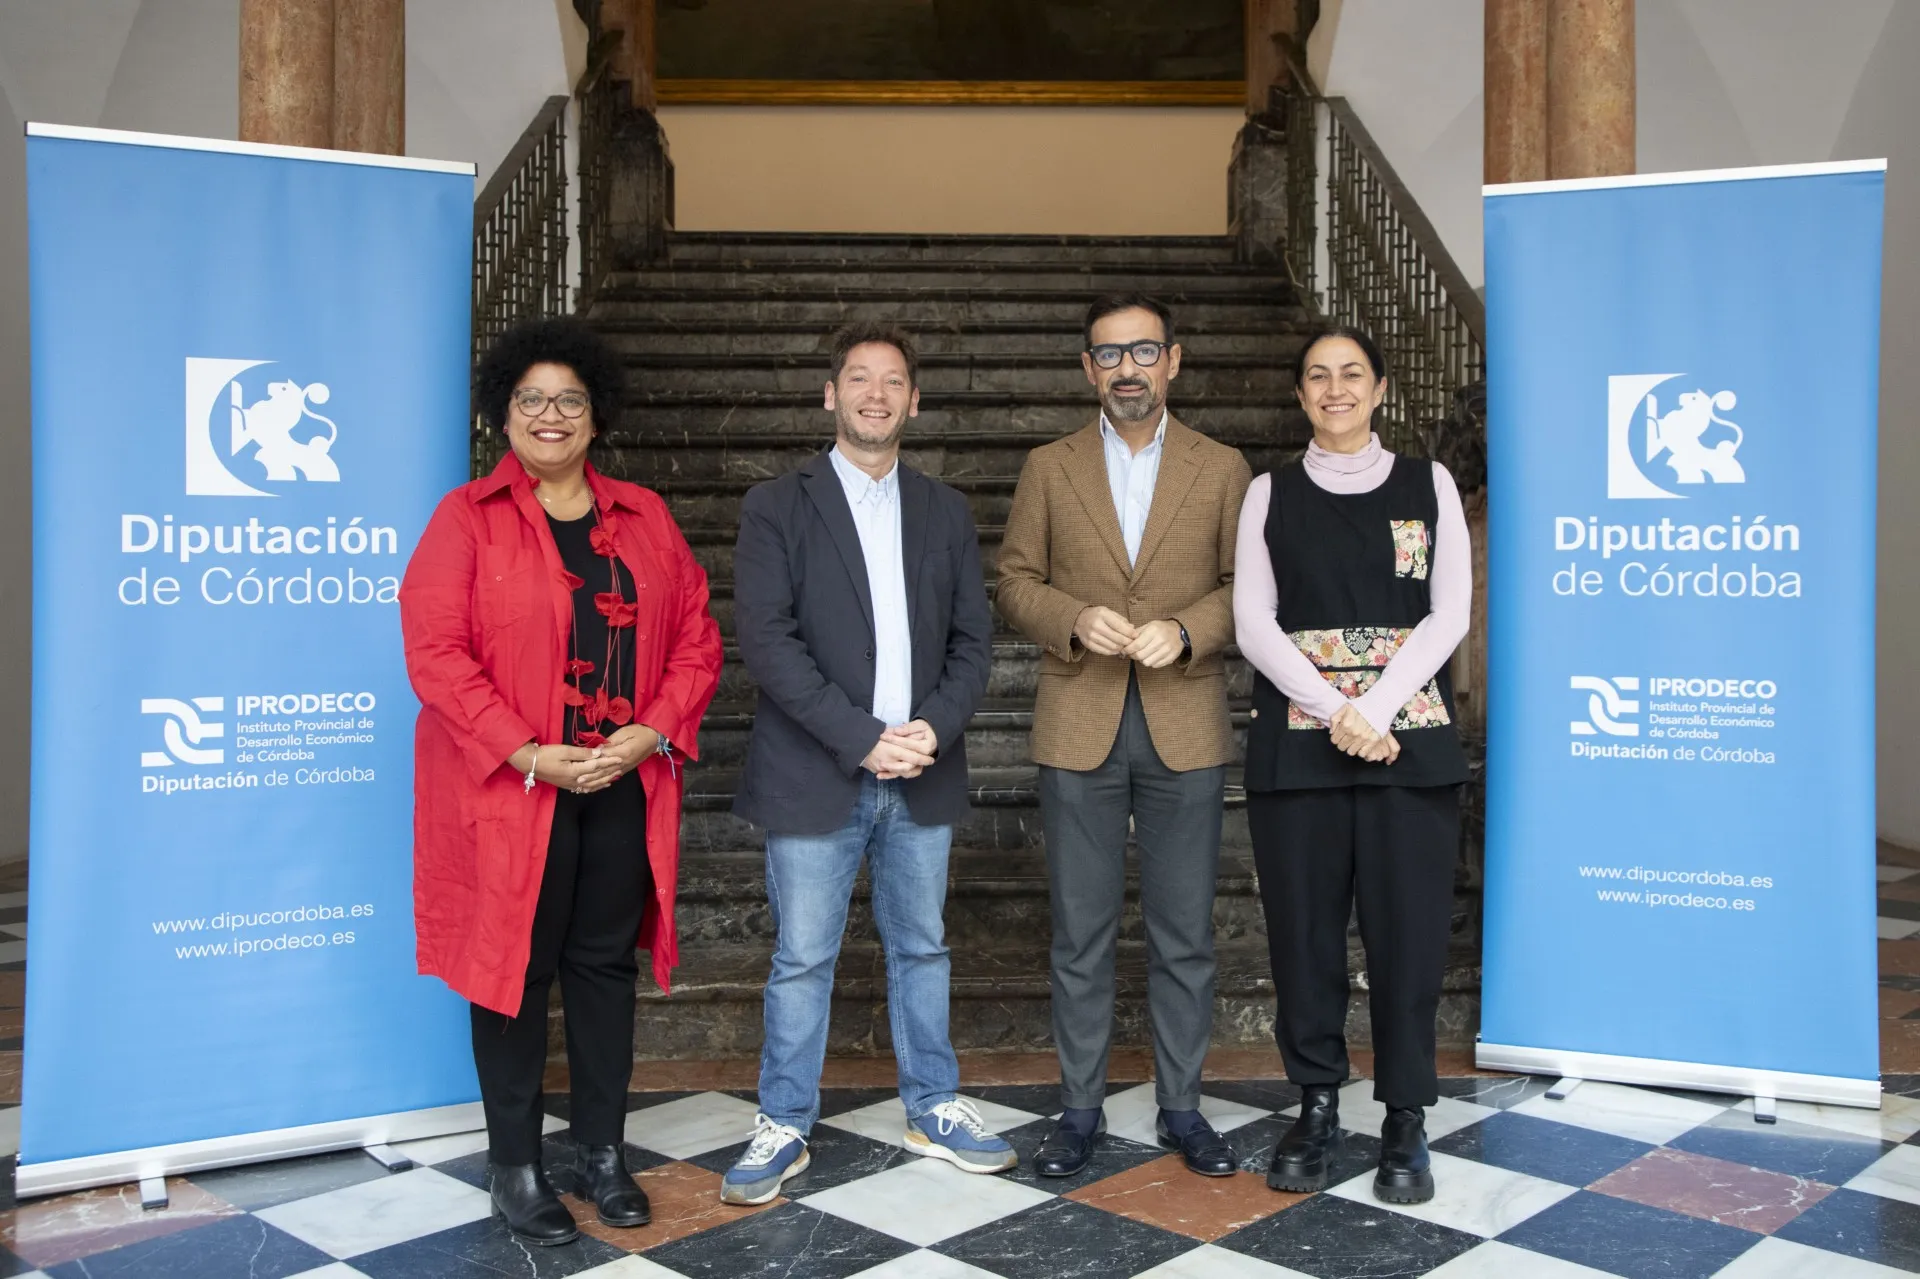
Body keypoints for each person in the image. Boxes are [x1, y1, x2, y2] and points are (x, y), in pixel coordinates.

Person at [401, 319, 723, 1245]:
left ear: (596, 415)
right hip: (515, 791)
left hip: (618, 780)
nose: (551, 415)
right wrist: (523, 748)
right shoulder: (465, 519)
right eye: (531, 399)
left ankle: (600, 1152)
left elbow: (698, 634)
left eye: (569, 400)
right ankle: (515, 1164)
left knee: (601, 968)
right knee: (512, 971)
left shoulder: (645, 516)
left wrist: (650, 730)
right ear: (505, 415)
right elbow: (436, 653)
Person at [720, 323, 1009, 1205]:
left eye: (892, 381)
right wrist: (860, 735)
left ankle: (932, 1103)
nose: (875, 393)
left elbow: (973, 641)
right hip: (818, 770)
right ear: (830, 394)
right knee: (803, 956)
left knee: (922, 948)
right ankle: (783, 1121)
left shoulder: (945, 509)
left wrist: (933, 727)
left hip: (921, 769)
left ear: (914, 401)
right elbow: (767, 642)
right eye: (858, 378)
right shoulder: (777, 505)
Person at [996, 294, 1251, 1179]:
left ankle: (1182, 1105)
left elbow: (1243, 585)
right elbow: (1015, 581)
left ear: (1173, 361)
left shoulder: (1222, 467)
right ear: (1088, 369)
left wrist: (1187, 631)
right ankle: (1078, 1111)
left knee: (1185, 932)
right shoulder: (1048, 466)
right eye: (1109, 355)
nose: (1127, 369)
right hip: (1081, 720)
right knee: (1081, 933)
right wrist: (1071, 617)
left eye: (1144, 351)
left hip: (1185, 718)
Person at [1232, 325, 1470, 1205]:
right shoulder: (1270, 494)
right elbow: (1255, 624)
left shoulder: (1428, 484)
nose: (1335, 389)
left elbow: (1448, 615)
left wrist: (1374, 708)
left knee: (1407, 938)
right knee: (1304, 937)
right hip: (1300, 751)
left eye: (1352, 374)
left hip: (1410, 748)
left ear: (1378, 389)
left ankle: (1405, 1113)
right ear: (1301, 396)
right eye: (1318, 377)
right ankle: (1318, 1102)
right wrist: (1339, 710)